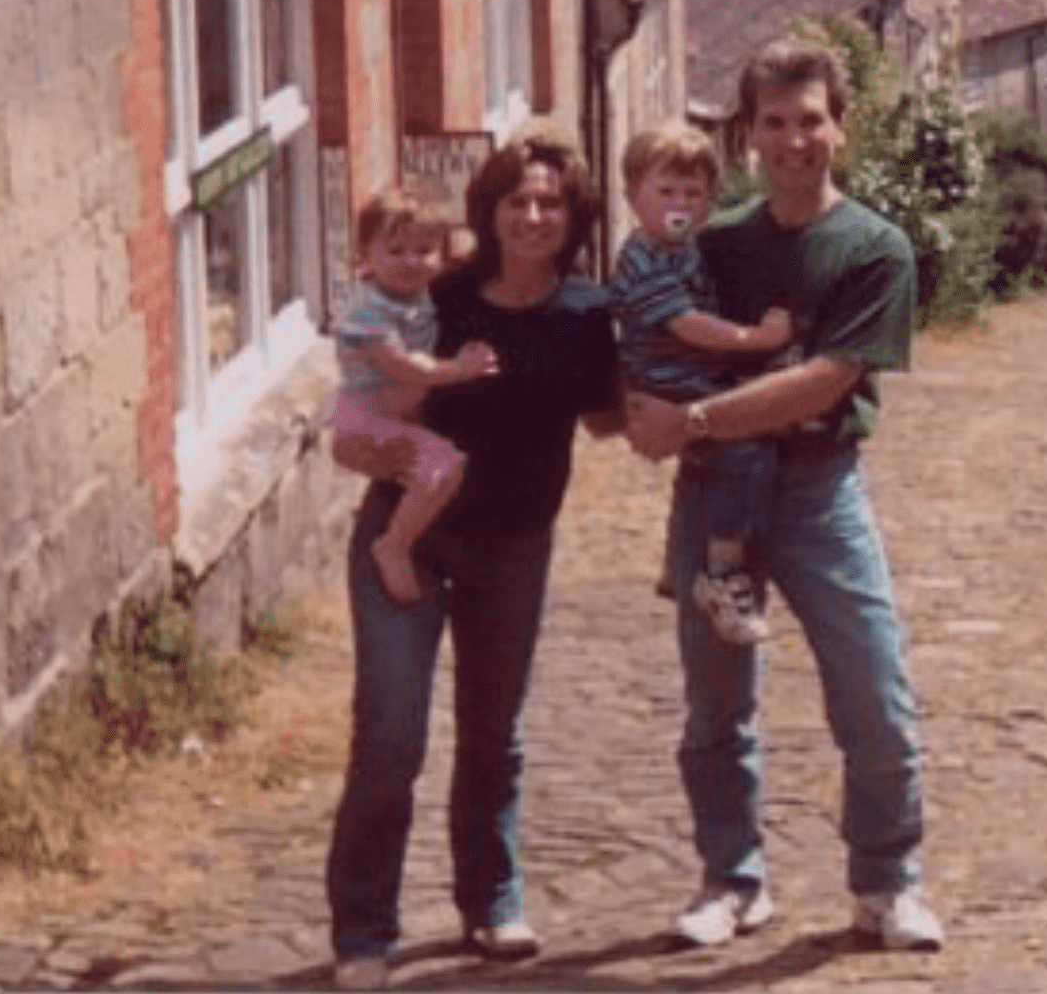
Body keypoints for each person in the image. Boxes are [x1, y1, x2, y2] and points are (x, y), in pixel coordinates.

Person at [626, 36, 943, 955]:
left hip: (816, 489)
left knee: (875, 694)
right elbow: (643, 326)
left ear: (839, 126)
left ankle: (887, 883)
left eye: (811, 119)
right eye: (775, 122)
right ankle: (733, 881)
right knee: (716, 704)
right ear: (748, 134)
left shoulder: (874, 250)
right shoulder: (716, 243)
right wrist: (629, 403)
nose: (794, 139)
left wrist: (686, 423)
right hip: (715, 492)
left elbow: (825, 382)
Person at [325, 133, 619, 992]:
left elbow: (616, 418)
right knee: (391, 736)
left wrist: (713, 408)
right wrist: (376, 436)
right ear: (488, 212)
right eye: (516, 201)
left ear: (574, 217)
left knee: (493, 736)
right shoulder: (437, 297)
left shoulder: (585, 314)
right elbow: (359, 412)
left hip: (515, 546)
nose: (532, 216)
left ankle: (491, 900)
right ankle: (364, 928)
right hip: (407, 539)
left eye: (551, 203)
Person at [610, 124, 793, 645]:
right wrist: (755, 339)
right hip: (669, 381)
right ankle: (721, 568)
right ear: (632, 197)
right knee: (745, 448)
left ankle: (678, 563)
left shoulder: (689, 249)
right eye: (665, 192)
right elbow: (689, 325)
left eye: (693, 194)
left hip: (692, 374)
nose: (680, 204)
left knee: (702, 466)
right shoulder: (641, 259)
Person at [332, 187, 500, 605]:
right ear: (365, 256)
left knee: (432, 469)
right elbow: (403, 367)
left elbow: (462, 256)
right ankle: (394, 545)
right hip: (368, 419)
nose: (411, 261)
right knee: (443, 466)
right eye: (395, 250)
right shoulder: (367, 310)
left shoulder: (415, 292)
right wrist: (460, 370)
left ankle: (405, 530)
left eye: (424, 249)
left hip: (398, 415)